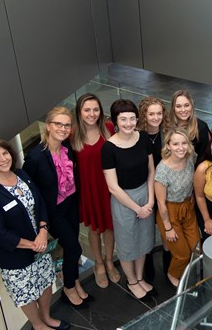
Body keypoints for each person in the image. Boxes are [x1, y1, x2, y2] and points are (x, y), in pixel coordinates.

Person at [0, 137, 69, 330]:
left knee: (45, 283)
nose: (3, 159)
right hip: (16, 257)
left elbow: (40, 203)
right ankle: (38, 325)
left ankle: (46, 317)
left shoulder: (21, 175)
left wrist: (43, 231)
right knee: (26, 294)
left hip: (41, 247)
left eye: (5, 153)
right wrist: (32, 245)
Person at [23, 107, 91, 309]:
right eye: (58, 124)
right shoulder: (35, 157)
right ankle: (68, 287)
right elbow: (31, 190)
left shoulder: (67, 147)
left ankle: (75, 281)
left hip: (71, 203)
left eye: (66, 125)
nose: (63, 128)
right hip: (54, 212)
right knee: (73, 248)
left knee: (74, 244)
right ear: (48, 126)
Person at [101, 99, 156, 302]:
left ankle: (140, 277)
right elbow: (112, 187)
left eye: (132, 118)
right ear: (115, 121)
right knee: (127, 244)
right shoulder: (108, 148)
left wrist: (150, 201)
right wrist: (137, 208)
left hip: (145, 193)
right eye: (123, 119)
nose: (129, 123)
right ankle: (131, 281)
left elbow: (151, 170)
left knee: (143, 239)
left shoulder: (142, 138)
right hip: (123, 200)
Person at [71, 93, 121, 289]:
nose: (91, 114)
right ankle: (98, 264)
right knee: (94, 228)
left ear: (100, 111)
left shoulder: (108, 129)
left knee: (110, 226)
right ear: (79, 112)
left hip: (108, 187)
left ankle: (109, 260)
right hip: (88, 189)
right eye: (86, 110)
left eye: (95, 109)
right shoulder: (72, 134)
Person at [154, 128, 201, 288]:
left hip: (188, 208)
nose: (180, 148)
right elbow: (161, 203)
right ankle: (172, 274)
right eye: (175, 144)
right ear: (168, 145)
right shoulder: (162, 171)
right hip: (170, 213)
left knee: (197, 248)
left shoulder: (190, 158)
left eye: (184, 143)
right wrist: (168, 228)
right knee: (182, 255)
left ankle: (187, 273)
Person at [137, 96, 171, 280]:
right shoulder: (137, 136)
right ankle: (147, 270)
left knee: (167, 227)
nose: (156, 117)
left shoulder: (167, 134)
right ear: (144, 115)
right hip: (145, 190)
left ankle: (168, 267)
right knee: (147, 230)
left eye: (159, 113)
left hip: (165, 190)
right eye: (151, 114)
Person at [169, 89, 210, 165]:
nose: (183, 110)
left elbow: (203, 158)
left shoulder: (201, 127)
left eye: (186, 105)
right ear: (173, 108)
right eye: (178, 106)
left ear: (192, 106)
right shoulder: (167, 124)